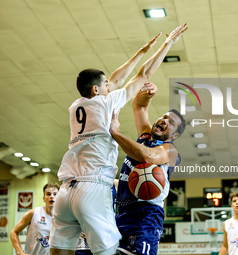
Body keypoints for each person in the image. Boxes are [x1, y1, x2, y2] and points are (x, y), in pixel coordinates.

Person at [50, 24, 188, 255]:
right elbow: (141, 77)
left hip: (67, 188)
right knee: (108, 251)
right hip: (92, 188)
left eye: (170, 121)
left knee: (61, 249)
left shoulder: (77, 105)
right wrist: (167, 44)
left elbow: (114, 80)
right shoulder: (106, 103)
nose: (110, 85)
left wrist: (140, 52)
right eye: (105, 85)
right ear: (97, 89)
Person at [109, 82, 186, 255]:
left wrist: (116, 133)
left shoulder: (170, 151)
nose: (164, 121)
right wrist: (148, 93)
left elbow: (147, 157)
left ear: (174, 135)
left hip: (146, 216)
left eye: (171, 122)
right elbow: (139, 105)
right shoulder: (144, 136)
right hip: (122, 213)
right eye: (164, 117)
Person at [10, 182, 60, 255]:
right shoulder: (33, 213)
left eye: (55, 194)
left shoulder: (63, 218)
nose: (52, 196)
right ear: (44, 198)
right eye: (48, 194)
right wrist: (20, 252)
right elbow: (13, 232)